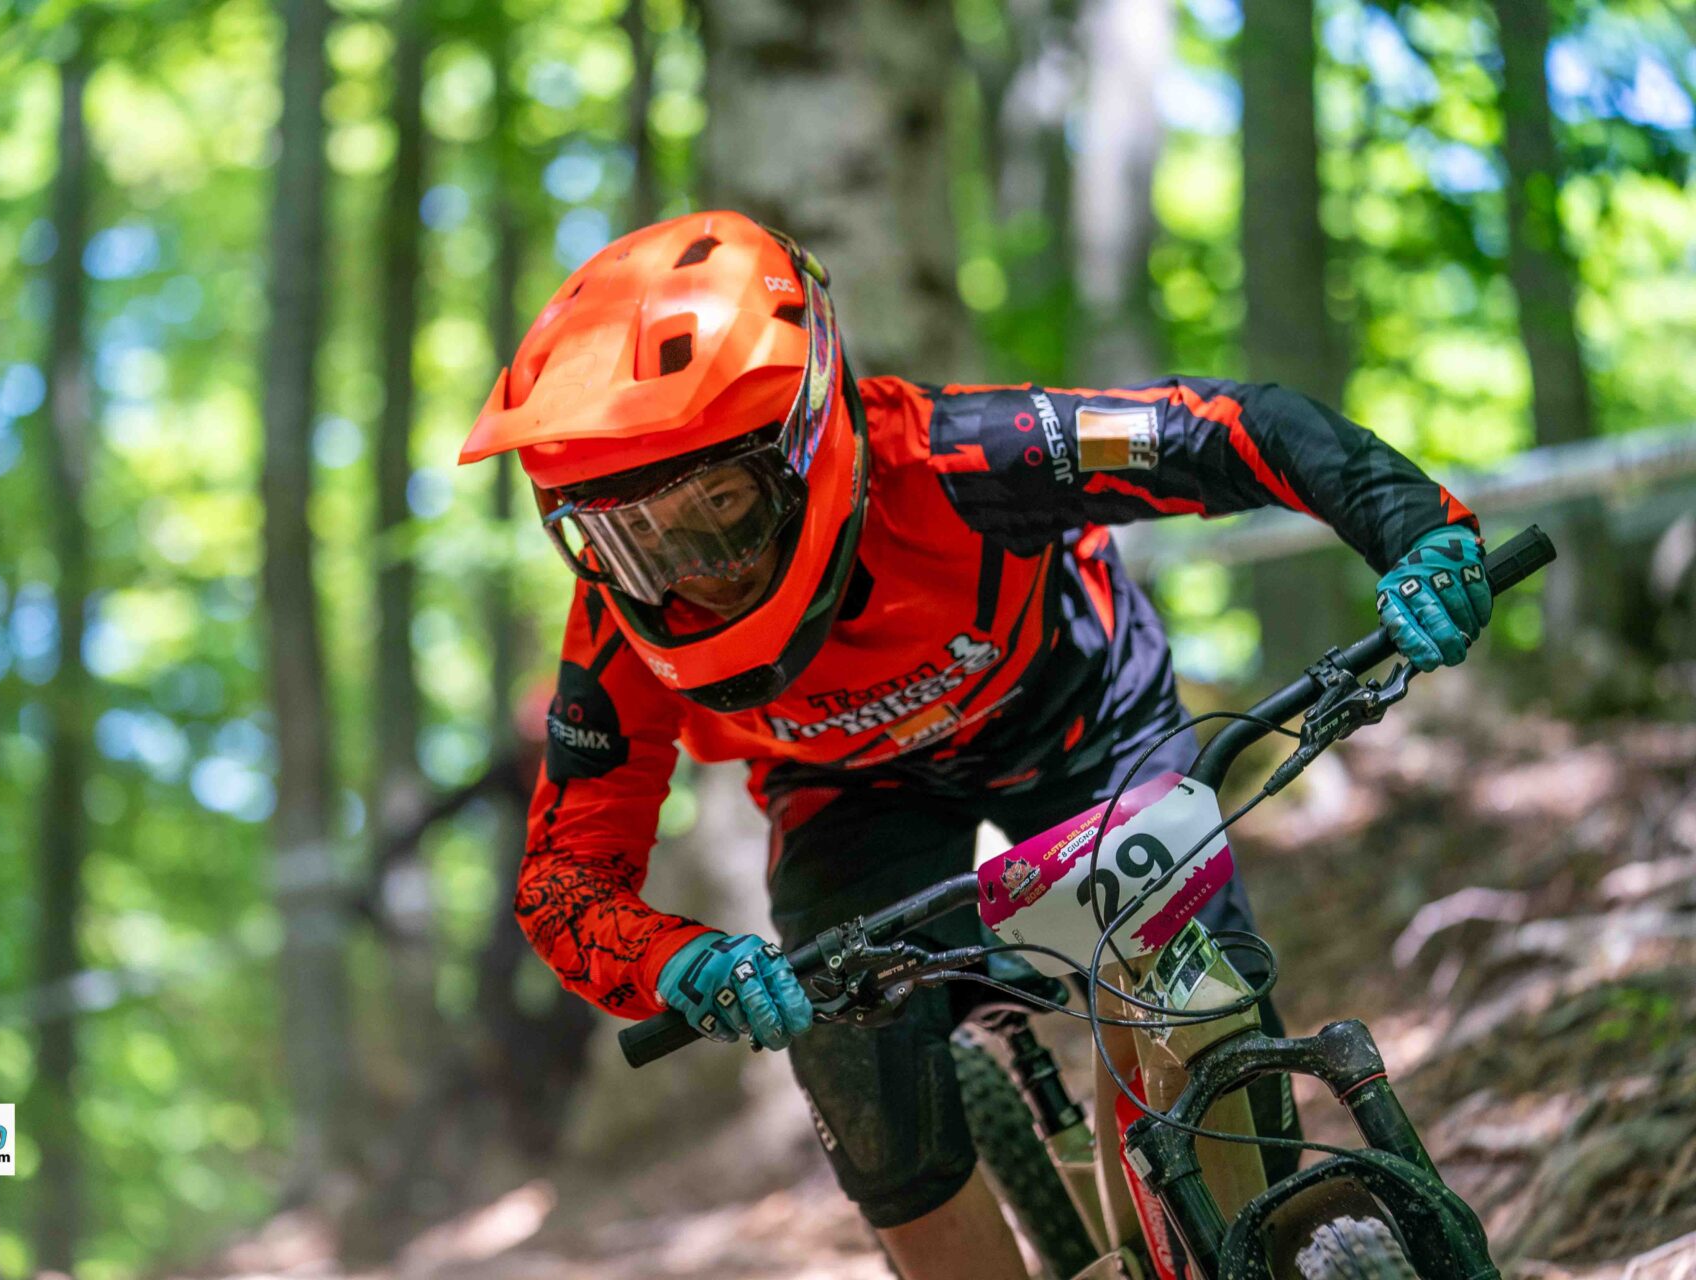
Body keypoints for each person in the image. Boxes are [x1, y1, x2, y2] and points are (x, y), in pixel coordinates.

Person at [457, 212, 1491, 1278]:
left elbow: (1225, 429)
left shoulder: (967, 456)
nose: (688, 573)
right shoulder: (615, 631)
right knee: (865, 1088)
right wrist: (678, 961)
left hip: (1077, 712)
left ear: (805, 437)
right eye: (632, 537)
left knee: (1196, 1002)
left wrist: (1417, 530)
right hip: (848, 790)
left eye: (718, 507)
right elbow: (566, 880)